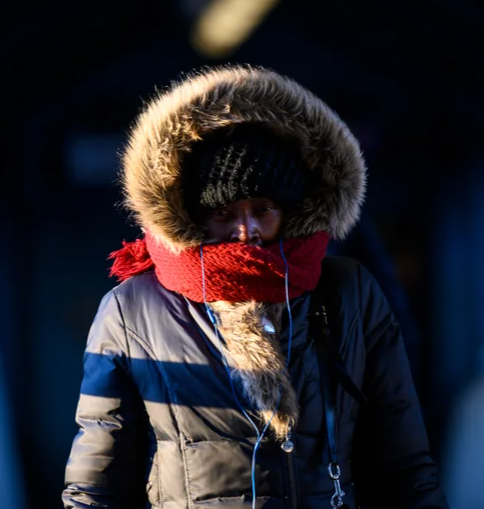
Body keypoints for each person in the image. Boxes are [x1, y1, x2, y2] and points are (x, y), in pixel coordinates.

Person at [62, 65, 449, 509]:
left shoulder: (348, 293)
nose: (246, 230)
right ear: (192, 214)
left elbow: (403, 464)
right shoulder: (134, 309)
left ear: (292, 209)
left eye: (263, 208)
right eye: (224, 212)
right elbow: (98, 484)